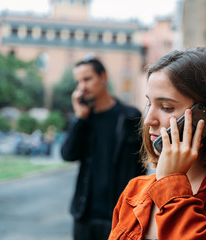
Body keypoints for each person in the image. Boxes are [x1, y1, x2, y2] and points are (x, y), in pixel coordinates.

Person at [109, 48, 206, 240]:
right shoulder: (134, 192)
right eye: (149, 104)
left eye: (167, 107)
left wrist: (171, 183)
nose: (148, 120)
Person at [60, 56, 145, 240]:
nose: (82, 86)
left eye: (87, 79)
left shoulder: (130, 116)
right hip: (84, 215)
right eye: (78, 82)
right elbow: (67, 154)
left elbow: (142, 166)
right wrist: (79, 118)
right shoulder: (84, 120)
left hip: (119, 216)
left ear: (103, 77)